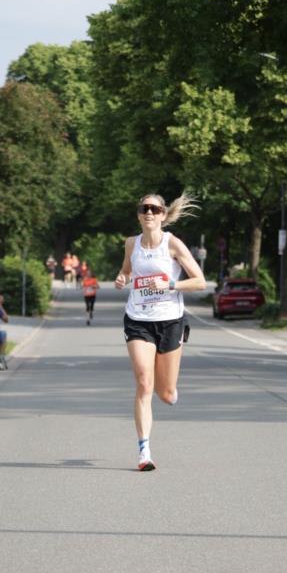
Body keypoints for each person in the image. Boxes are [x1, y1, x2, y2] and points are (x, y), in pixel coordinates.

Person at [115, 192, 205, 471]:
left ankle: (170, 392)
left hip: (170, 321)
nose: (149, 213)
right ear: (139, 214)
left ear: (163, 215)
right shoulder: (132, 243)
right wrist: (123, 278)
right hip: (138, 319)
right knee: (144, 382)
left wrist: (171, 286)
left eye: (155, 209)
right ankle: (144, 452)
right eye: (144, 209)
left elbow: (199, 281)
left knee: (165, 393)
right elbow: (127, 270)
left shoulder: (173, 244)